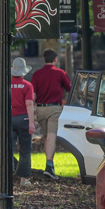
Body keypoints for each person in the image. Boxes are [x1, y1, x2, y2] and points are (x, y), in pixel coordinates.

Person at [31, 49, 71, 180]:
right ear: (55, 59)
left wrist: (33, 109)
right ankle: (49, 165)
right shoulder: (60, 73)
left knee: (46, 136)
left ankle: (48, 164)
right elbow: (70, 89)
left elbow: (33, 95)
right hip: (54, 108)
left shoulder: (37, 74)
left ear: (43, 59)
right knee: (51, 137)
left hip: (40, 109)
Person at [10, 57, 36, 186]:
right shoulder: (27, 85)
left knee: (8, 148)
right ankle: (23, 178)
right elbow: (30, 104)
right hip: (24, 119)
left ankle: (7, 176)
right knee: (25, 149)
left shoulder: (7, 84)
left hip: (9, 119)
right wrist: (31, 122)